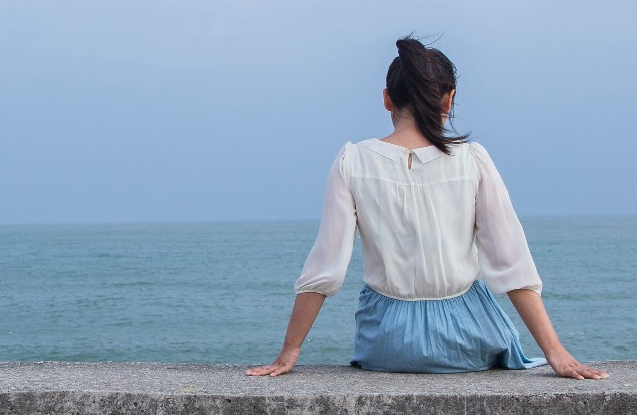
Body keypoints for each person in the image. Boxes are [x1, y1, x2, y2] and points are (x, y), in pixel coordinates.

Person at [248, 38, 607, 379]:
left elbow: (326, 268)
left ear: (387, 99)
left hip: (386, 345)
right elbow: (511, 264)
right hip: (466, 340)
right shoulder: (472, 160)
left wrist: (289, 350)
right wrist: (555, 350)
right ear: (448, 100)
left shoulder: (352, 161)